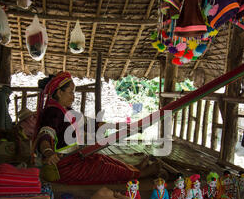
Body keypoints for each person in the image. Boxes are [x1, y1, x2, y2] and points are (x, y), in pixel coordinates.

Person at [32, 71, 161, 185]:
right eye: (71, 92)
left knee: (101, 158)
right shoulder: (52, 113)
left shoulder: (66, 111)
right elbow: (45, 135)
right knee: (102, 167)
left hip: (73, 158)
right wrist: (48, 152)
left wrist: (120, 126)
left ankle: (134, 168)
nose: (73, 96)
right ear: (60, 93)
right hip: (62, 167)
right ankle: (141, 174)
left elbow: (91, 124)